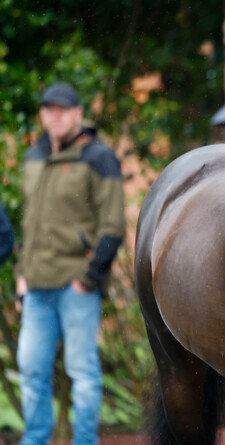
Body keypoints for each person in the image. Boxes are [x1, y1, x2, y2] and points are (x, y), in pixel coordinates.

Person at [15, 82, 125, 445]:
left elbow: (112, 225)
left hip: (76, 287)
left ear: (78, 113)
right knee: (31, 371)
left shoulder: (98, 157)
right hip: (35, 288)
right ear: (43, 115)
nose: (56, 115)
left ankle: (85, 442)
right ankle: (35, 439)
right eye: (49, 109)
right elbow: (30, 224)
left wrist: (88, 278)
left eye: (63, 109)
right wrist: (21, 276)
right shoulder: (34, 156)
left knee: (83, 372)